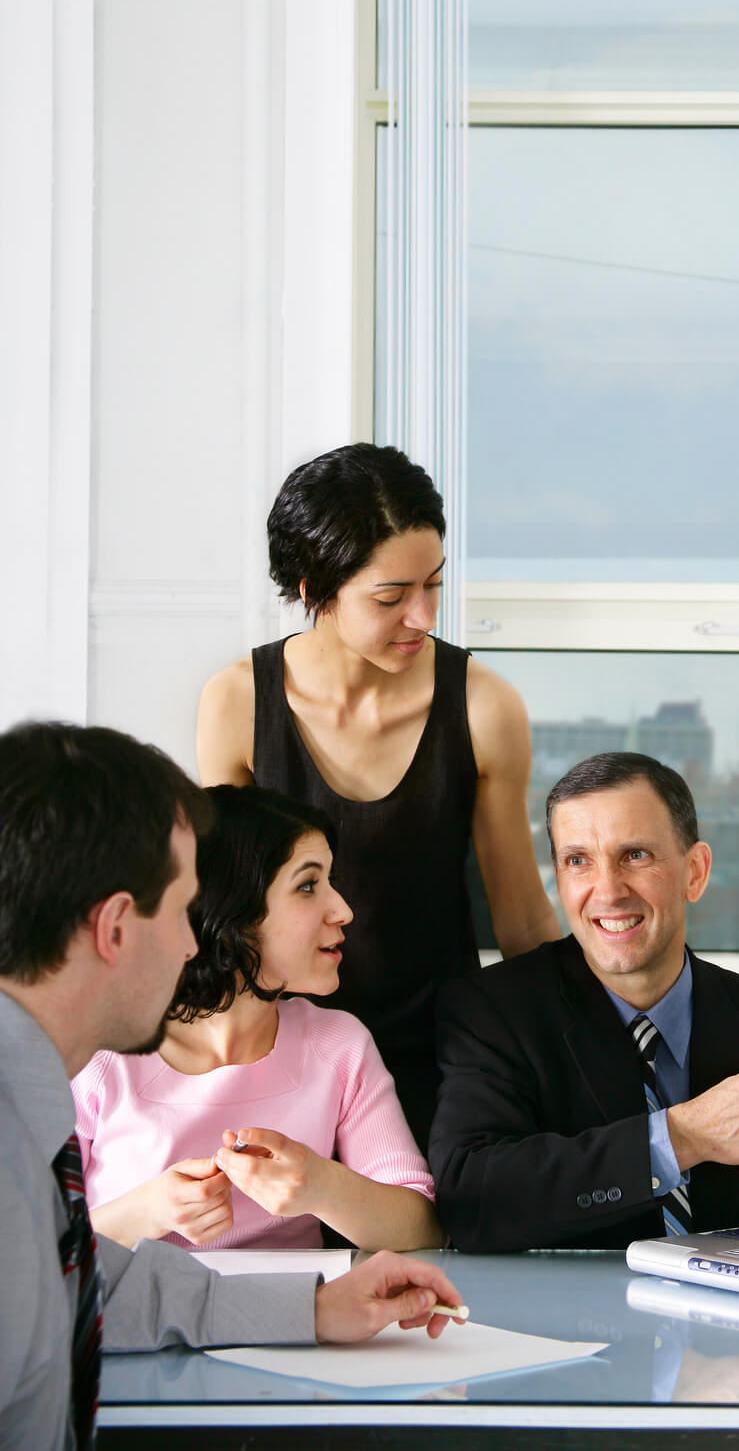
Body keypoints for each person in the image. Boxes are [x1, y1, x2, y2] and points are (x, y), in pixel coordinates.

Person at [0, 722, 463, 1451]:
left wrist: (311, 1311)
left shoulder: (30, 1096)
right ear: (116, 926)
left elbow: (95, 1285)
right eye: (182, 909)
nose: (194, 944)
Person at [196, 443, 559, 1147]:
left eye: (434, 585)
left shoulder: (484, 706)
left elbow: (519, 922)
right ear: (311, 588)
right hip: (285, 1056)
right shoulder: (237, 702)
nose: (422, 616)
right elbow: (217, 912)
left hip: (445, 1061)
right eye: (391, 597)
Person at [429, 752, 739, 1253]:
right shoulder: (491, 1013)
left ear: (695, 871)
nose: (607, 891)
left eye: (635, 856)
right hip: (571, 1325)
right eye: (578, 861)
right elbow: (472, 1201)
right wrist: (681, 1137)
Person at [72, 784, 440, 1254]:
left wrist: (324, 1185)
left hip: (302, 1320)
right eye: (308, 886)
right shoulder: (97, 1053)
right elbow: (29, 1250)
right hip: (134, 1324)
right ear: (233, 910)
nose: (343, 910)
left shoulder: (339, 1045)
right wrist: (145, 1212)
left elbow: (423, 1231)